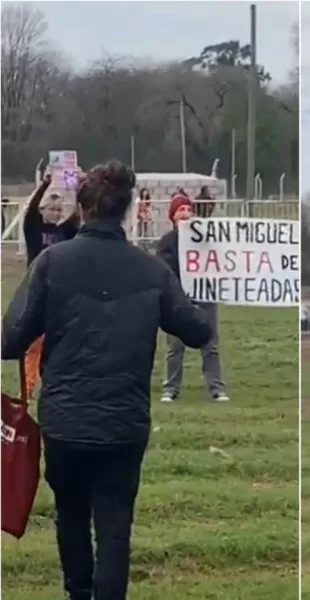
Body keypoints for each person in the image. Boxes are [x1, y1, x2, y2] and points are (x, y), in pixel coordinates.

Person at [0, 160, 212, 600]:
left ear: (84, 208)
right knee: (115, 526)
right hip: (124, 421)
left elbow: (10, 340)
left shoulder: (52, 263)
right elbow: (197, 331)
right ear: (128, 210)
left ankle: (78, 593)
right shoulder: (153, 271)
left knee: (71, 516)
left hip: (65, 419)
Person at [156, 193, 230, 403]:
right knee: (175, 346)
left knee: (210, 344)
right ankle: (171, 388)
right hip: (179, 300)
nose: (186, 214)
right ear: (173, 216)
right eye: (181, 210)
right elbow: (166, 269)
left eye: (189, 210)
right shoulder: (167, 242)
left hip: (205, 295)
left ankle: (216, 388)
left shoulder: (205, 240)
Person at [22, 170, 81, 399]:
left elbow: (77, 214)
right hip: (35, 289)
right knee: (34, 344)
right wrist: (45, 184)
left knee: (57, 342)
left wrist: (77, 188)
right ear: (43, 210)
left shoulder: (64, 232)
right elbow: (31, 208)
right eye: (51, 209)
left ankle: (54, 385)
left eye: (58, 210)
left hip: (58, 291)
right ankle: (28, 387)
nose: (55, 213)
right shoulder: (34, 229)